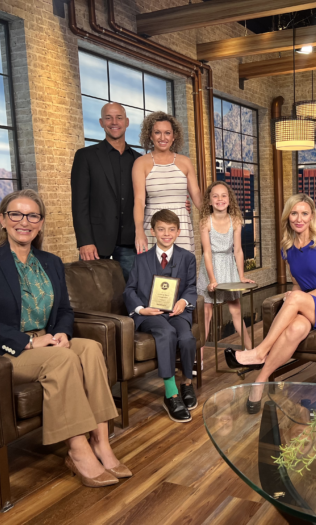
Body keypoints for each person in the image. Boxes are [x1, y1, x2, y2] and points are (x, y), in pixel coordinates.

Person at [0, 189, 130, 488]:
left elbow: (64, 308)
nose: (24, 221)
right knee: (62, 359)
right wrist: (26, 342)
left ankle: (101, 442)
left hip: (46, 340)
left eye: (32, 215)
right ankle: (77, 451)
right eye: (16, 214)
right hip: (1, 349)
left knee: (89, 348)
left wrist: (62, 331)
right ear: (3, 219)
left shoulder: (50, 261)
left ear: (40, 222)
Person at [224, 194, 316, 412]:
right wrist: (294, 298)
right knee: (296, 328)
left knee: (294, 298)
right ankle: (260, 381)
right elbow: (298, 285)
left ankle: (259, 352)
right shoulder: (287, 249)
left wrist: (298, 299)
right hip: (309, 308)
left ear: (312, 216)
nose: (299, 218)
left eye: (304, 213)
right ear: (288, 216)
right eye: (294, 213)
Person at [123, 209, 198, 423]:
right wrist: (140, 310)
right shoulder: (141, 260)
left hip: (177, 312)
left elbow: (191, 287)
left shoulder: (188, 258)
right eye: (161, 229)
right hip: (151, 313)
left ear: (178, 232)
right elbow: (129, 290)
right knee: (165, 333)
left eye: (171, 229)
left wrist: (183, 302)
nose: (166, 234)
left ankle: (186, 383)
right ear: (152, 231)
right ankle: (171, 394)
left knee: (186, 337)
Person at [71, 102, 142, 281]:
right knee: (93, 295)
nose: (114, 122)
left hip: (131, 243)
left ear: (127, 122)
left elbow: (147, 198)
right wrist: (85, 241)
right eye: (108, 118)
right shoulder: (85, 156)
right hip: (95, 242)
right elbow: (79, 202)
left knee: (132, 295)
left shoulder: (139, 160)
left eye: (119, 117)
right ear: (101, 122)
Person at [197, 181, 255, 370]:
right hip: (210, 267)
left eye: (223, 196)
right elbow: (206, 252)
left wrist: (241, 276)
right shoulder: (205, 221)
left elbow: (237, 250)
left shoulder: (235, 220)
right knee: (206, 314)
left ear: (229, 200)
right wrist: (212, 279)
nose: (220, 199)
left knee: (236, 311)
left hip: (228, 266)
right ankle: (199, 359)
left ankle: (251, 352)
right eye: (215, 196)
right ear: (209, 201)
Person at [133, 112, 202, 255]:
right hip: (153, 225)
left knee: (182, 271)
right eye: (157, 132)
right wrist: (139, 231)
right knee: (154, 273)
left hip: (180, 225)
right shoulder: (141, 163)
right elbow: (139, 200)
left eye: (167, 133)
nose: (163, 137)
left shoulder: (185, 162)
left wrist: (215, 218)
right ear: (150, 136)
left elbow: (196, 194)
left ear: (174, 136)